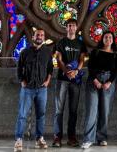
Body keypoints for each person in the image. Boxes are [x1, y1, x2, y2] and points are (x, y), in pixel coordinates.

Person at [14, 28, 54, 152]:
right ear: (33, 37)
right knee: (22, 115)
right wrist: (22, 81)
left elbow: (50, 68)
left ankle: (39, 139)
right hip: (28, 89)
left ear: (44, 37)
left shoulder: (47, 52)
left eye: (42, 35)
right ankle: (19, 140)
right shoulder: (25, 52)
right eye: (37, 35)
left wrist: (47, 81)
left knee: (41, 115)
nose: (40, 36)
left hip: (42, 89)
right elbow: (19, 68)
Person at [52, 19, 88, 147]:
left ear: (76, 28)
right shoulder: (61, 42)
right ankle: (57, 137)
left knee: (73, 110)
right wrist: (66, 71)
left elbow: (82, 58)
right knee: (59, 110)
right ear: (66, 28)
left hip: (76, 80)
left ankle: (71, 137)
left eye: (73, 25)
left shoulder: (80, 43)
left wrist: (77, 70)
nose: (71, 27)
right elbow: (58, 58)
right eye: (69, 26)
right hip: (62, 79)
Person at [81, 31, 117, 149]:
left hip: (108, 83)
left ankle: (101, 137)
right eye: (106, 37)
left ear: (113, 40)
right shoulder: (95, 52)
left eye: (110, 37)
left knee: (105, 111)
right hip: (94, 81)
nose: (108, 39)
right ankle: (88, 139)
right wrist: (95, 80)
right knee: (92, 110)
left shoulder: (116, 55)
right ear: (102, 39)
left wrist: (109, 82)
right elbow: (90, 67)